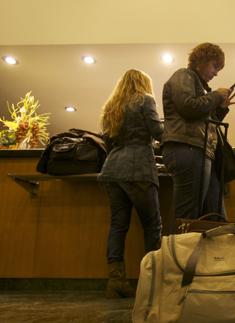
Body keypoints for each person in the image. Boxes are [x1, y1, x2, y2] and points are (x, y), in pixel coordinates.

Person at [98, 69, 164, 298]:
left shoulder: (111, 106)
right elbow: (158, 132)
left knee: (118, 226)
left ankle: (116, 281)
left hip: (113, 170)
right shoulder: (146, 100)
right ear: (143, 83)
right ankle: (152, 282)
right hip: (138, 169)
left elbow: (107, 140)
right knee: (152, 226)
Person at [161, 43, 235, 227]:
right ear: (201, 61)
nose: (216, 73)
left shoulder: (198, 86)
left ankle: (199, 254)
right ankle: (184, 254)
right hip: (187, 148)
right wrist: (217, 96)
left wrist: (221, 108)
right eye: (215, 66)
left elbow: (204, 120)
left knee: (210, 214)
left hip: (196, 150)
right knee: (190, 215)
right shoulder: (183, 75)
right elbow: (188, 106)